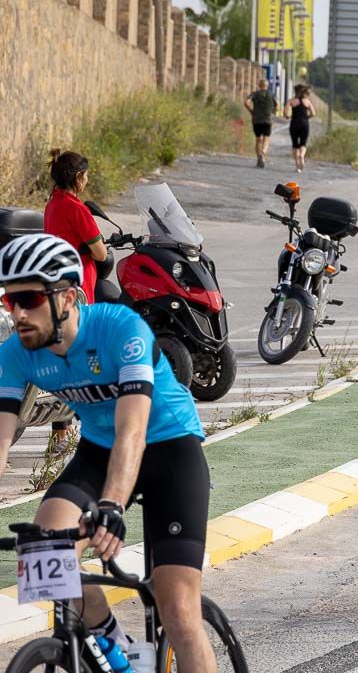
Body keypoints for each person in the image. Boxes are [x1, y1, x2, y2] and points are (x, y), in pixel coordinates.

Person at [0, 234, 217, 671]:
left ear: (66, 296)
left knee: (177, 607)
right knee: (43, 552)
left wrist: (111, 506)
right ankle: (116, 650)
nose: (18, 314)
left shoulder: (120, 327)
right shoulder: (14, 354)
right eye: (9, 302)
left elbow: (132, 430)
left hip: (170, 448)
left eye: (28, 299)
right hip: (100, 451)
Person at [43, 149, 108, 451]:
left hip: (58, 290)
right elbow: (101, 253)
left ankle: (61, 434)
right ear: (78, 178)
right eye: (86, 174)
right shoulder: (76, 209)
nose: (88, 179)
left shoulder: (52, 205)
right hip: (81, 293)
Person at [244, 79, 277, 168]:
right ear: (267, 85)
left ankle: (259, 157)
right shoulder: (271, 94)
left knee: (258, 139)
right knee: (266, 139)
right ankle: (263, 153)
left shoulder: (254, 94)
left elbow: (246, 103)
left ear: (259, 85)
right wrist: (272, 112)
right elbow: (276, 104)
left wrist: (251, 111)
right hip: (267, 119)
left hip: (256, 119)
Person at [285, 84, 314, 174]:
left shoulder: (291, 101)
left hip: (294, 123)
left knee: (295, 144)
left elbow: (285, 113)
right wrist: (306, 117)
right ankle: (302, 156)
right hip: (304, 123)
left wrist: (288, 116)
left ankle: (297, 166)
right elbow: (313, 113)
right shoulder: (307, 101)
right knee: (303, 143)